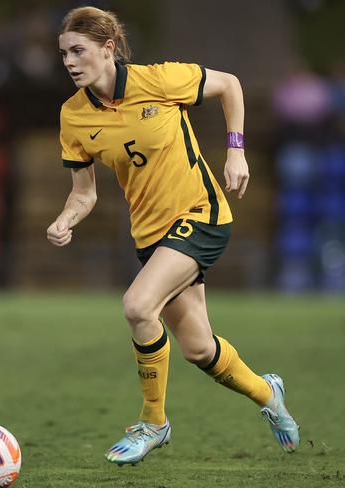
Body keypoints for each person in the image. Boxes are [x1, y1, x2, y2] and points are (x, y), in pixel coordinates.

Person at [47, 7, 300, 465]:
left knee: (137, 305)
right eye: (64, 52)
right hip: (151, 236)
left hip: (200, 214)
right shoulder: (73, 117)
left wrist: (236, 152)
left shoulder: (159, 80)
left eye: (78, 51)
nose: (69, 60)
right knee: (199, 348)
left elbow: (229, 85)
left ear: (108, 49)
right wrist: (66, 219)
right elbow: (83, 193)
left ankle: (153, 423)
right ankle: (269, 394)